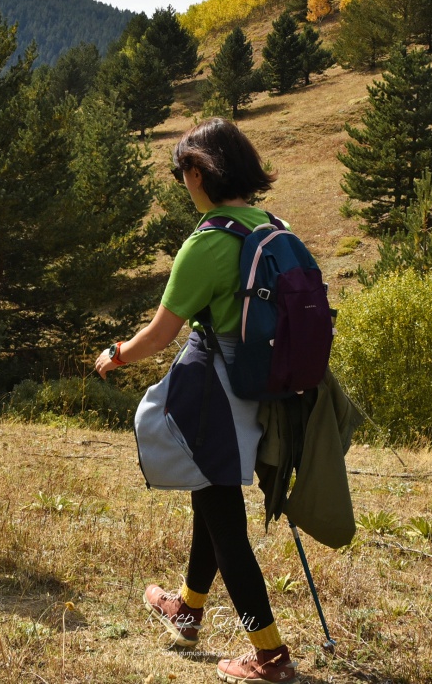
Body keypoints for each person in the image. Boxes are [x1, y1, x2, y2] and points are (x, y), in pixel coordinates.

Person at [96, 118, 299, 684]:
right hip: (261, 388)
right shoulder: (272, 227)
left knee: (224, 521)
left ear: (199, 172)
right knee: (210, 495)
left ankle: (271, 655)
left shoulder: (209, 241)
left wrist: (116, 354)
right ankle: (187, 609)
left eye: (183, 172)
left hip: (217, 393)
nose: (182, 183)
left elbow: (161, 334)